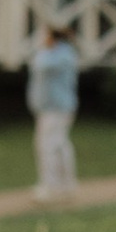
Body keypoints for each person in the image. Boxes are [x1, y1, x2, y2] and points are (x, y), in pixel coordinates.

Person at [26, 23, 80, 197]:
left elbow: (39, 64)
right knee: (59, 144)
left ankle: (50, 186)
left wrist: (43, 50)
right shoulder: (61, 54)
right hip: (55, 108)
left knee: (48, 146)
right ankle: (66, 184)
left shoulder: (59, 56)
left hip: (56, 109)